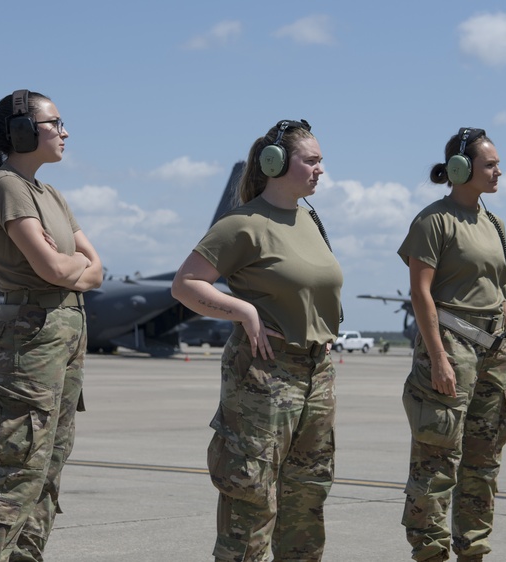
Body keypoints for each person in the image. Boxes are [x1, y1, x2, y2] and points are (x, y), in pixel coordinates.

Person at [171, 119, 342, 562]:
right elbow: (187, 284)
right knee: (251, 496)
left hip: (316, 373)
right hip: (266, 374)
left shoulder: (310, 219)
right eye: (313, 160)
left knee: (307, 495)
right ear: (276, 163)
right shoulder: (243, 224)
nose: (321, 169)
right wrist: (242, 310)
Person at [0, 90, 103, 562]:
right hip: (31, 332)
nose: (64, 131)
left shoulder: (49, 194)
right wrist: (71, 265)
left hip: (64, 328)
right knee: (21, 467)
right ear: (20, 132)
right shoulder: (7, 186)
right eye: (54, 122)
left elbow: (95, 269)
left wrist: (70, 265)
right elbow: (55, 270)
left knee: (50, 464)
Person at [398, 128, 506, 562]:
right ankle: (430, 553)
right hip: (452, 344)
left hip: (493, 351)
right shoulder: (433, 221)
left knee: (484, 460)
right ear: (461, 169)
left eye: (498, 164)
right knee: (437, 460)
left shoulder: (496, 223)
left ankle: (472, 550)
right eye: (490, 164)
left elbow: (505, 292)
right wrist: (438, 357)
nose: (499, 171)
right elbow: (420, 294)